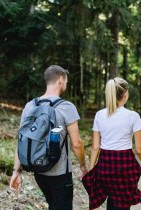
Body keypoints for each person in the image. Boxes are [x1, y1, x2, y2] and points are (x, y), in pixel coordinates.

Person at [9, 65, 88, 210]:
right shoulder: (66, 107)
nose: (66, 84)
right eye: (66, 81)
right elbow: (77, 143)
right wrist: (83, 165)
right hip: (60, 174)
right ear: (60, 80)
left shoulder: (29, 106)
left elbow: (21, 141)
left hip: (38, 170)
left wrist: (16, 171)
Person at [82, 77, 141, 210]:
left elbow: (95, 147)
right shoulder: (133, 116)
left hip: (105, 165)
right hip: (124, 165)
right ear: (125, 94)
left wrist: (91, 171)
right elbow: (139, 149)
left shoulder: (99, 115)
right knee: (121, 201)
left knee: (112, 197)